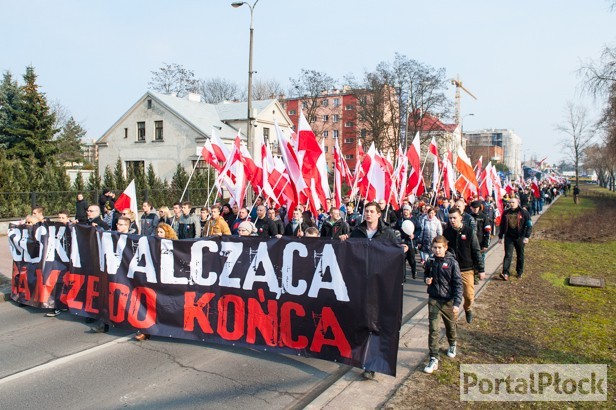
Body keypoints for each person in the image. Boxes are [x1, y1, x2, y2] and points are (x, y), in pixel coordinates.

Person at [343, 201, 407, 380]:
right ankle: (360, 356)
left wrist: (403, 252)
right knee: (360, 322)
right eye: (366, 211)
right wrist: (343, 241)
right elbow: (348, 255)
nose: (368, 214)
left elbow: (396, 258)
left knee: (375, 323)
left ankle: (371, 364)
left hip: (380, 287)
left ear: (379, 214)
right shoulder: (357, 232)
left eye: (372, 211)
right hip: (360, 285)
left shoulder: (388, 234)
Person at [422, 235, 463, 374]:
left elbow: (458, 284)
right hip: (434, 300)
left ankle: (452, 343)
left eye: (439, 248)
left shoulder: (452, 263)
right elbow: (426, 274)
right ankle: (434, 358)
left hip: (448, 301)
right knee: (433, 330)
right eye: (434, 248)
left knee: (450, 326)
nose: (437, 250)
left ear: (445, 247)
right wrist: (427, 279)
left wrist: (457, 303)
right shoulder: (431, 260)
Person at [443, 208, 484, 324]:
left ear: (461, 217)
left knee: (469, 296)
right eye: (450, 218)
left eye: (454, 218)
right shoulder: (447, 232)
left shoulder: (469, 231)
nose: (452, 220)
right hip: (452, 270)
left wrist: (481, 269)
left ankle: (468, 308)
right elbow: (443, 249)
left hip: (467, 269)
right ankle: (453, 322)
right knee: (452, 298)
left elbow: (476, 250)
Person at [498, 197, 532, 280]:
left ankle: (519, 272)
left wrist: (527, 236)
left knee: (520, 254)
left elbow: (529, 225)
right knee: (508, 255)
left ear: (518, 202)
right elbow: (502, 225)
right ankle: (505, 272)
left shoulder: (524, 213)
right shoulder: (506, 213)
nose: (511, 204)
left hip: (520, 237)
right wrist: (500, 236)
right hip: (509, 237)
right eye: (510, 202)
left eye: (513, 202)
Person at [394, 205, 418, 280]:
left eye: (407, 210)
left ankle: (414, 272)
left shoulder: (414, 219)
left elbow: (419, 229)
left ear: (410, 211)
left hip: (411, 242)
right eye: (404, 210)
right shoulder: (399, 220)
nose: (405, 211)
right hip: (402, 242)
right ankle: (403, 277)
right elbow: (396, 229)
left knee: (412, 260)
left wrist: (414, 235)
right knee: (402, 260)